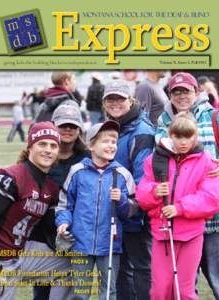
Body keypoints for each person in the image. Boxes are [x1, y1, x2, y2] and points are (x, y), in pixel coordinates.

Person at [136, 113, 219, 300]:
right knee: (160, 291)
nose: (183, 142)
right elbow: (142, 193)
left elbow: (211, 199)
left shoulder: (206, 161)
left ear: (195, 136)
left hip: (192, 235)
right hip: (162, 234)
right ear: (170, 135)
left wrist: (179, 208)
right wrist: (155, 191)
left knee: (184, 292)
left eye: (188, 136)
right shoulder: (154, 159)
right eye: (178, 136)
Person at [0, 121, 70, 300]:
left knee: (71, 262)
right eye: (42, 144)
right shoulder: (12, 177)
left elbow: (52, 223)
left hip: (20, 255)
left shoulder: (50, 188)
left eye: (53, 145)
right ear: (30, 146)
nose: (48, 150)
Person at [156, 72, 219, 299]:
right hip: (180, 221)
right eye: (177, 91)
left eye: (187, 91)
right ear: (170, 95)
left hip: (214, 220)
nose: (182, 95)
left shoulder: (215, 117)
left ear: (197, 92)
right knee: (183, 288)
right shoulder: (162, 123)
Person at [55, 120, 135, 300]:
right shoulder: (77, 171)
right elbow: (65, 204)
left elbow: (131, 210)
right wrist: (63, 222)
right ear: (91, 145)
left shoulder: (122, 175)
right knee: (80, 293)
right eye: (105, 141)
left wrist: (121, 200)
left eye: (114, 142)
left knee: (108, 292)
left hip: (110, 246)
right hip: (80, 245)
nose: (111, 145)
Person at [29, 103, 89, 300]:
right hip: (40, 233)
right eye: (63, 125)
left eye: (73, 125)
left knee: (66, 291)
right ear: (53, 127)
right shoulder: (41, 157)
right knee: (41, 289)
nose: (68, 129)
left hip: (73, 232)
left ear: (80, 128)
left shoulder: (87, 159)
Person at [102, 80, 155, 300]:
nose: (115, 103)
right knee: (122, 269)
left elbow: (142, 179)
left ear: (131, 100)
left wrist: (129, 206)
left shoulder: (141, 131)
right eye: (110, 98)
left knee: (141, 268)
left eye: (120, 98)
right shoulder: (113, 126)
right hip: (116, 213)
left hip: (134, 214)